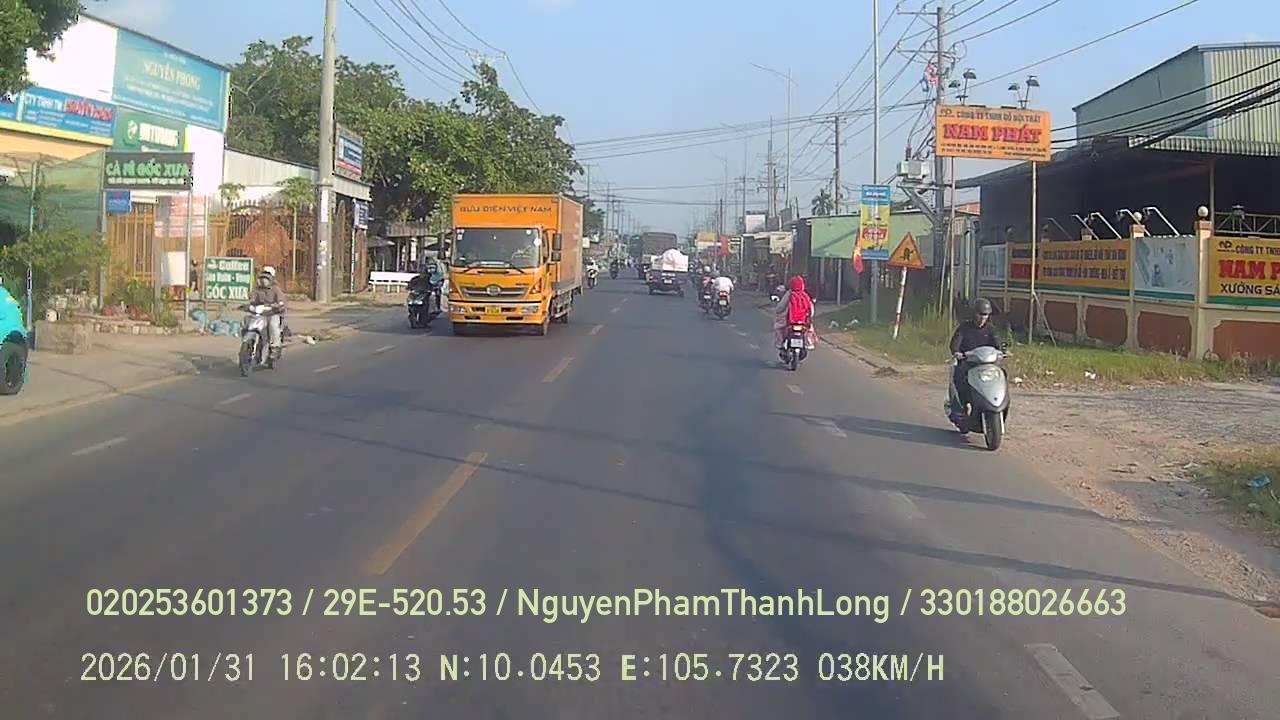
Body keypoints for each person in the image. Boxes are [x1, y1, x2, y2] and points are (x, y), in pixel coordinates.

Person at [948, 297, 1003, 412]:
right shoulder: (964, 328)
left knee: (1002, 374)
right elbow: (955, 343)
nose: (983, 317)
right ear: (974, 314)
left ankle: (999, 401)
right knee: (959, 377)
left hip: (987, 366)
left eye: (985, 315)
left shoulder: (991, 329)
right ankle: (963, 405)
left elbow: (998, 345)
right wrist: (957, 352)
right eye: (980, 314)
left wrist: (1002, 352)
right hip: (968, 364)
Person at [773, 275, 815, 360]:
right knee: (809, 330)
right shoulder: (805, 295)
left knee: (778, 328)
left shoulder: (789, 294)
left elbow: (781, 307)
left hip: (789, 321)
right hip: (803, 321)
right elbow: (810, 308)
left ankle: (780, 345)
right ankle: (809, 344)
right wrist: (809, 317)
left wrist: (777, 311)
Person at [250, 266, 287, 357]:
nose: (264, 280)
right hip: (261, 314)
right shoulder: (258, 290)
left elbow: (282, 302)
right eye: (262, 277)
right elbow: (253, 300)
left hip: (273, 313)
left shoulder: (276, 289)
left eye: (266, 277)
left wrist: (277, 305)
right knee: (250, 323)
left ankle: (275, 347)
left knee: (273, 326)